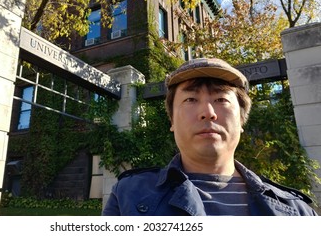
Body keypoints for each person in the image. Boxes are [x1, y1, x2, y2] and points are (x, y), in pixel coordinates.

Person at [102, 58, 317, 216]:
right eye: (191, 100)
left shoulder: (298, 211)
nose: (207, 112)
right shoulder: (127, 196)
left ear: (241, 121)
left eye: (221, 99)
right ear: (172, 122)